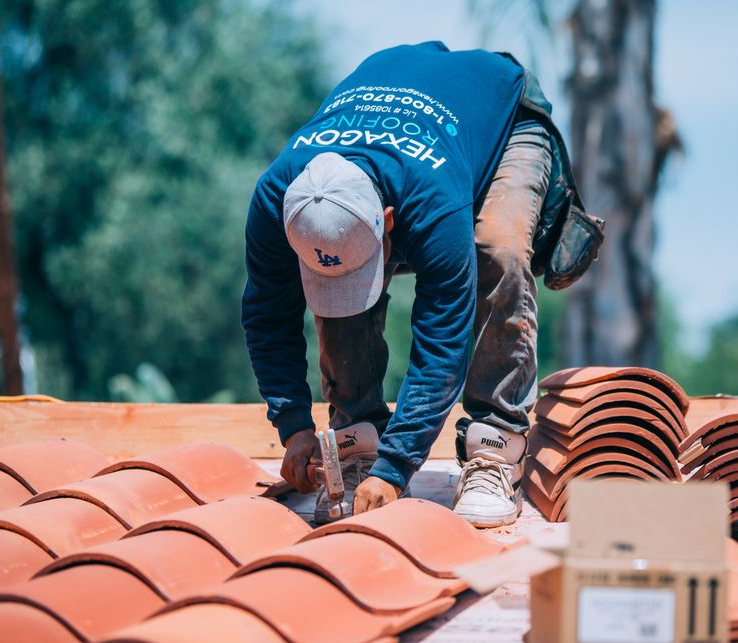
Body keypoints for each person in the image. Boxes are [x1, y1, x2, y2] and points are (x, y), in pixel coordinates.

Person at [241, 41, 599, 528]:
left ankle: (495, 447)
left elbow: (442, 340)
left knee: (497, 250)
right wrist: (294, 427)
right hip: (415, 115)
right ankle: (357, 435)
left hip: (504, 119)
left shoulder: (432, 202)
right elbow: (267, 315)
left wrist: (395, 468)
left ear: (389, 221)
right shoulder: (277, 196)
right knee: (342, 280)